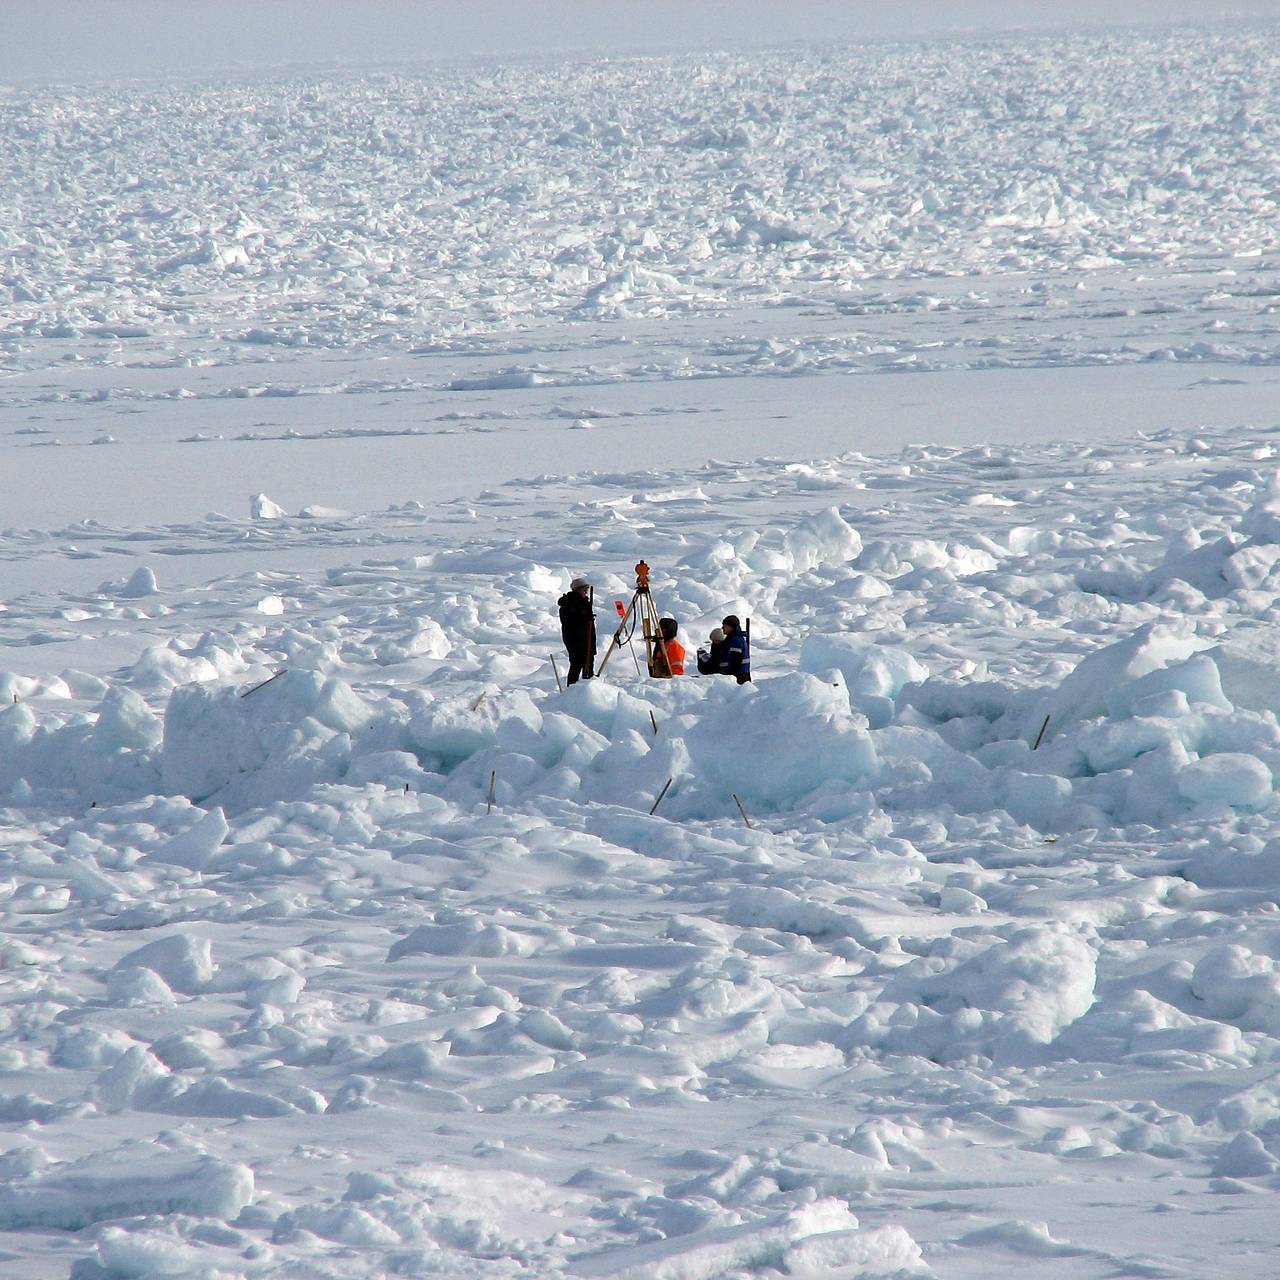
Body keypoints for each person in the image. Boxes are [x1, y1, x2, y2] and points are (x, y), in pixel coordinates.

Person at [557, 576, 596, 684]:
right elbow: (569, 622)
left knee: (588, 663)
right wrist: (584, 619)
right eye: (584, 589)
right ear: (578, 590)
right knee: (577, 664)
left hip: (586, 639)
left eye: (587, 589)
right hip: (575, 640)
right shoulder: (568, 604)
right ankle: (572, 690)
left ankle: (587, 686)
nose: (586, 592)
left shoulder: (584, 602)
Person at [718, 615, 751, 684]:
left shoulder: (735, 641)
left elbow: (735, 662)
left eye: (724, 625)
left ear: (731, 627)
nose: (722, 628)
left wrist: (730, 676)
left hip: (738, 677)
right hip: (738, 676)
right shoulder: (732, 639)